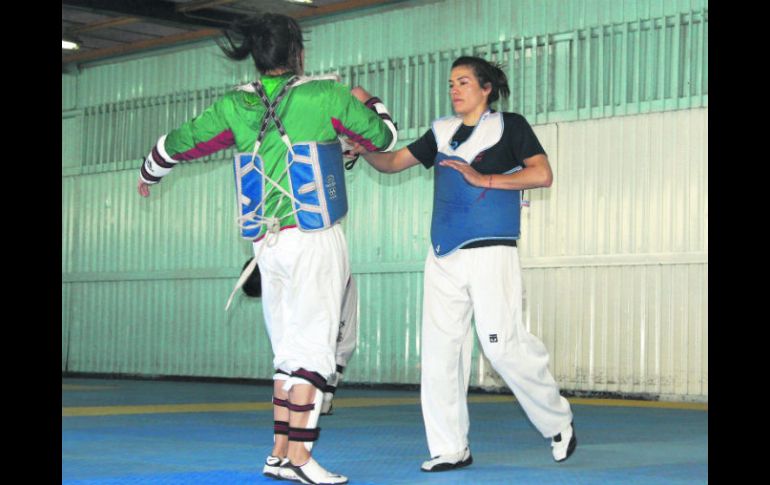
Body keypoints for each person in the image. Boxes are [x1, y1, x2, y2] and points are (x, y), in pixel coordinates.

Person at [137, 13, 396, 485]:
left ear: (257, 56)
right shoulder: (325, 95)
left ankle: (279, 453)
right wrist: (370, 101)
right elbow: (383, 137)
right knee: (315, 352)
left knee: (285, 352)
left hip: (266, 244)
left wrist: (150, 169)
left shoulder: (236, 105)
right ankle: (301, 457)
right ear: (297, 53)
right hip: (314, 238)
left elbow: (184, 141)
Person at [350, 56, 576, 471]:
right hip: (442, 256)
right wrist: (362, 147)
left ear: (486, 88)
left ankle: (558, 420)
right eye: (451, 82)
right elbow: (392, 162)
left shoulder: (512, 126)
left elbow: (541, 175)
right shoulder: (441, 131)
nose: (455, 89)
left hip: (491, 251)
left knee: (501, 346)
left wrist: (483, 179)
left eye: (464, 82)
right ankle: (450, 447)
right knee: (439, 354)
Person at [240, 257, 359, 416]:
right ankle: (310, 394)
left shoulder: (298, 272)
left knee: (337, 339)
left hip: (336, 282)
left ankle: (324, 397)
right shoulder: (278, 265)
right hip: (318, 281)